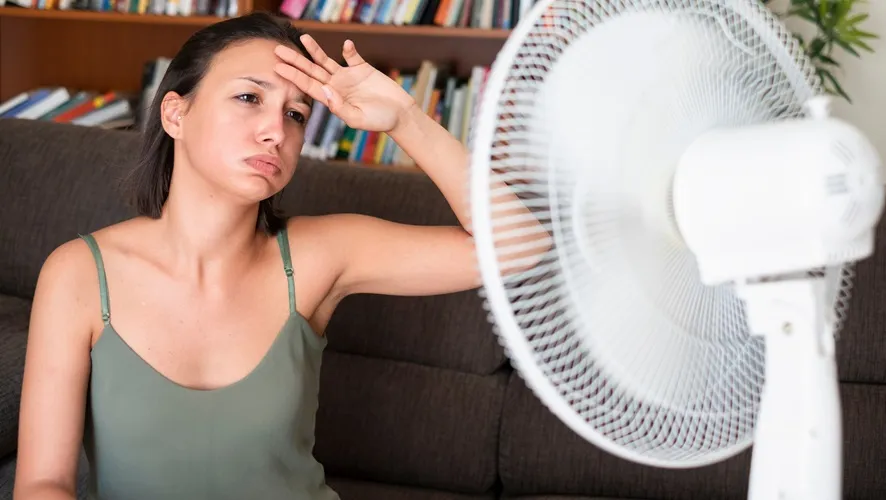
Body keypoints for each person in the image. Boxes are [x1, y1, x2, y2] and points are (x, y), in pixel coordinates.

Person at [13, 10, 545, 500]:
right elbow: (43, 482)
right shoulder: (78, 273)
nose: (276, 131)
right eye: (249, 98)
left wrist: (405, 119)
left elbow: (522, 245)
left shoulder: (320, 256)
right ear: (176, 113)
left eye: (295, 114)